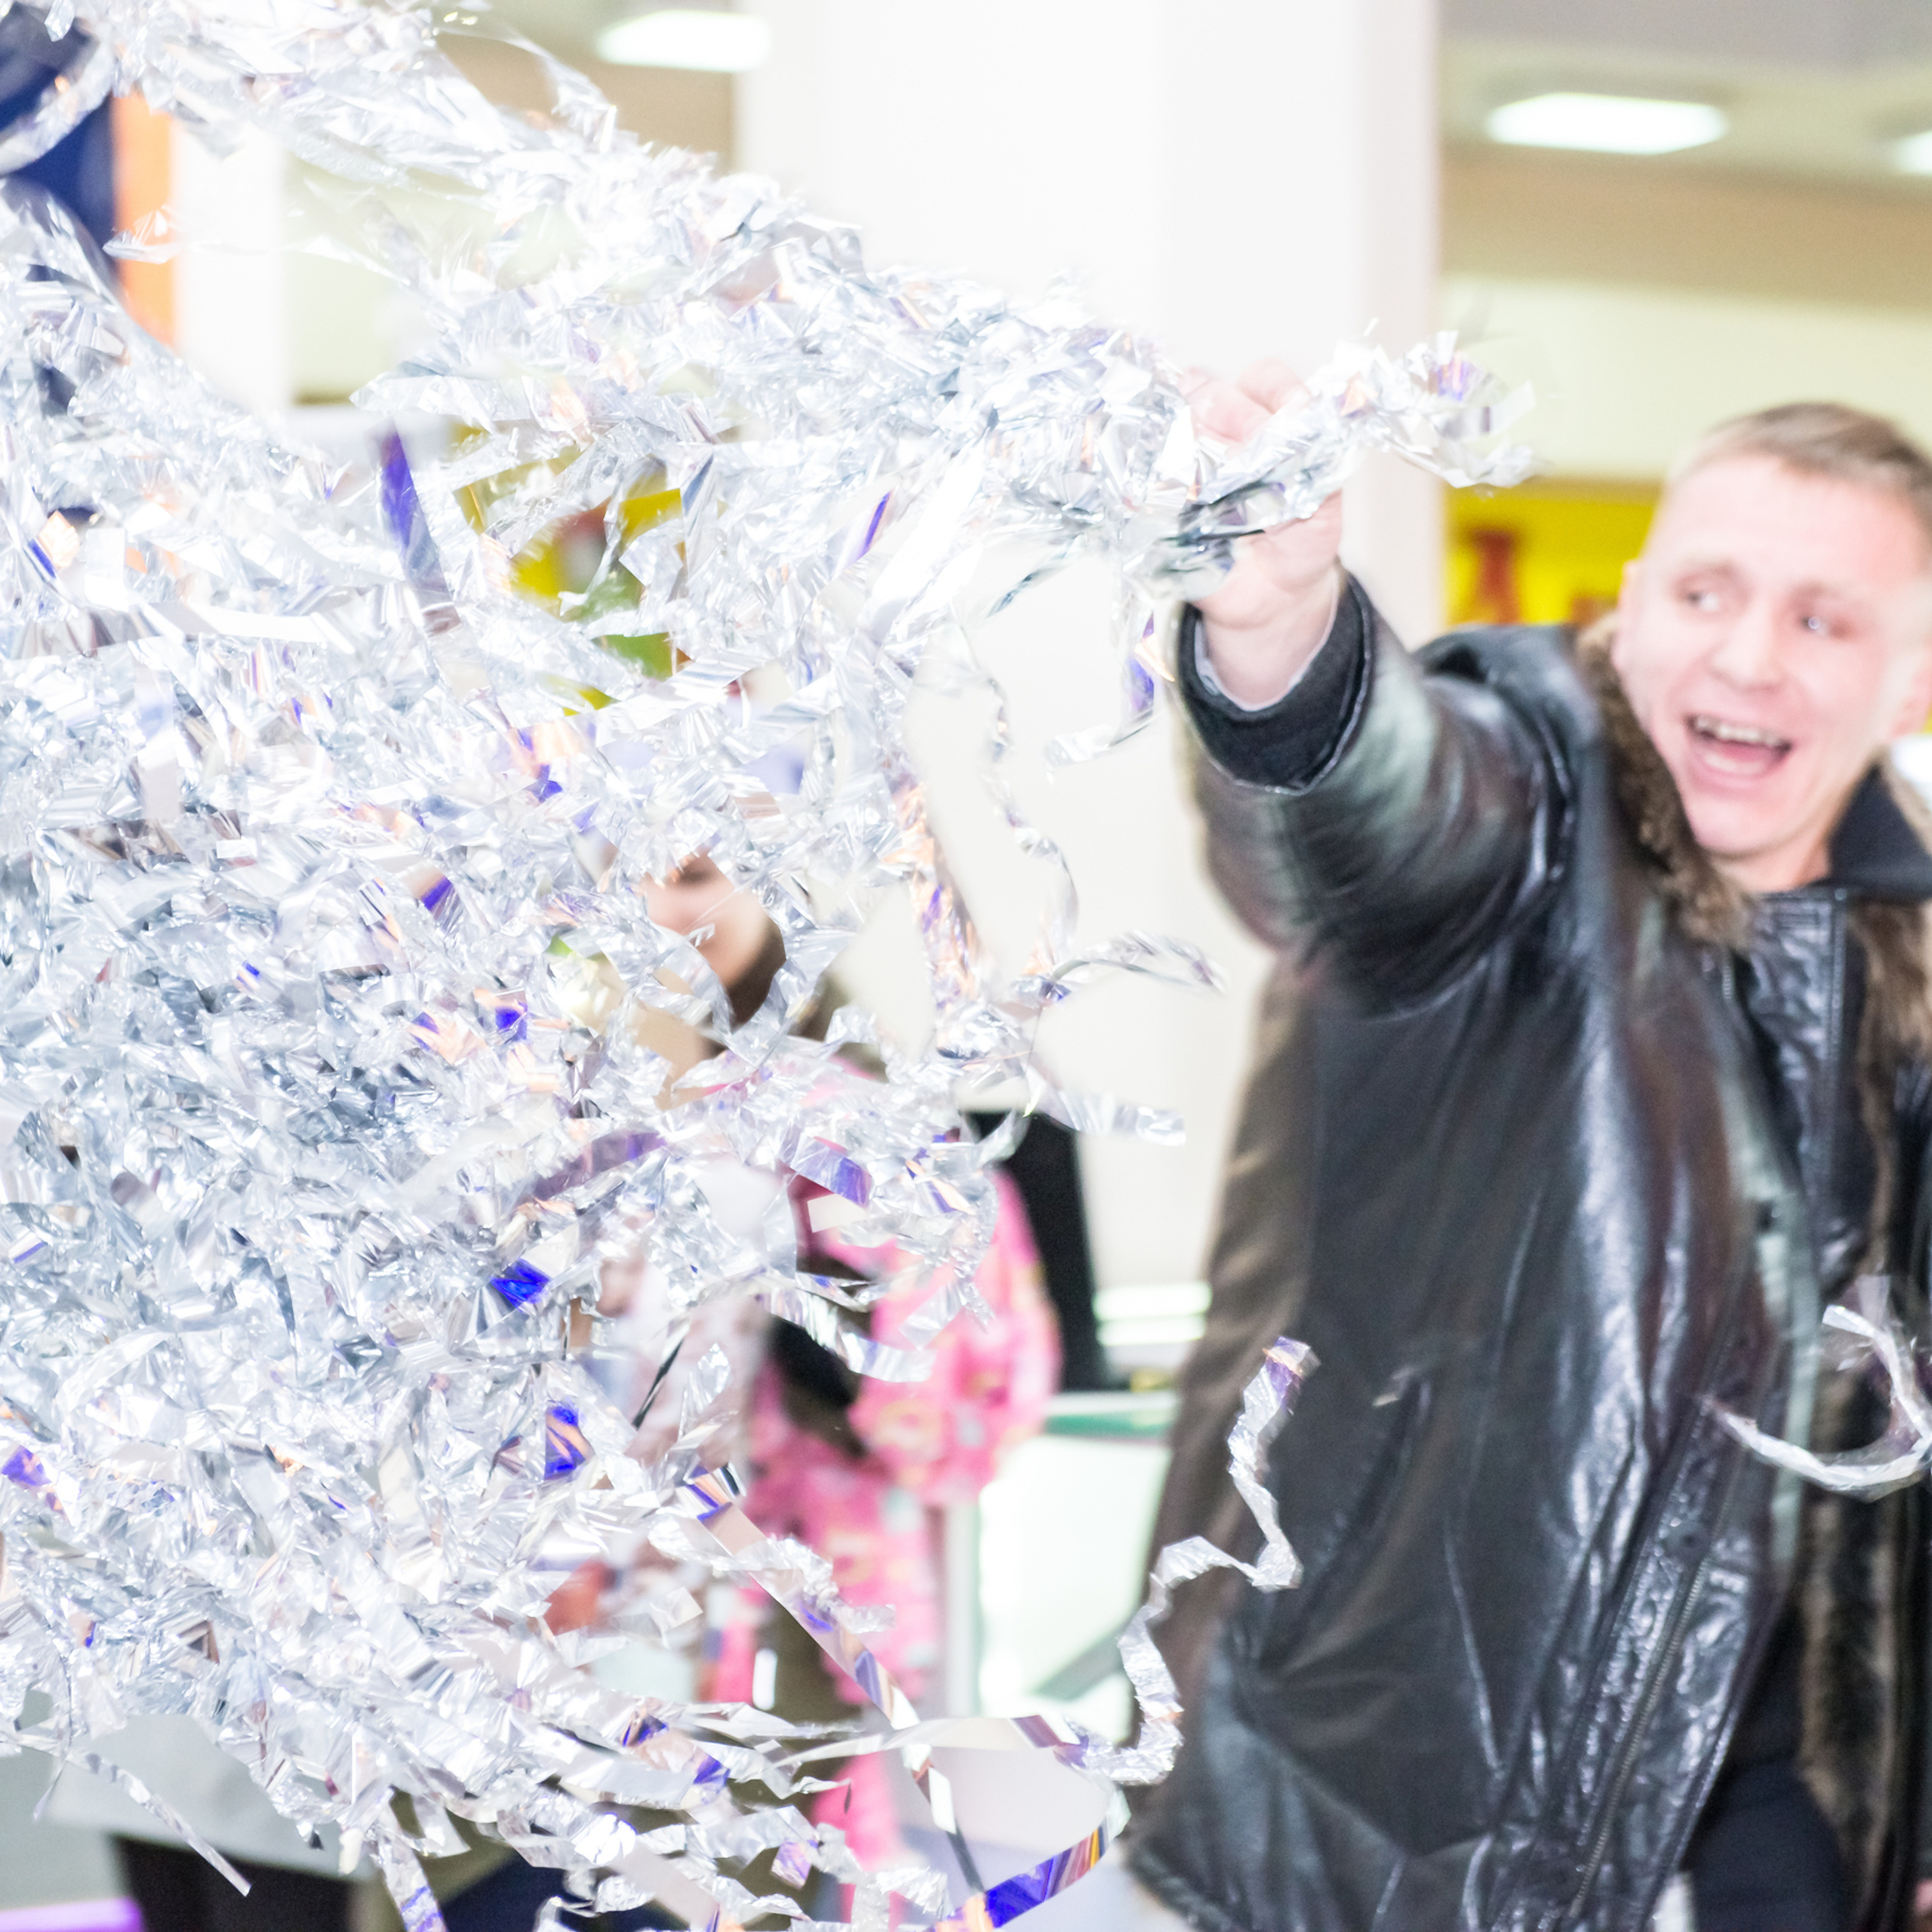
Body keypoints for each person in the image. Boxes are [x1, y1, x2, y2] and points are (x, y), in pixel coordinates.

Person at [1127, 374, 1932, 1932]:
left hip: (1787, 1816)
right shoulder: (1529, 807)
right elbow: (1374, 810)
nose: (1747, 655)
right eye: (1705, 590)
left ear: (1909, 681)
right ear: (1627, 608)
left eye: (1824, 621)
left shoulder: (1905, 961)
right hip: (1383, 1810)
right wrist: (1280, 637)